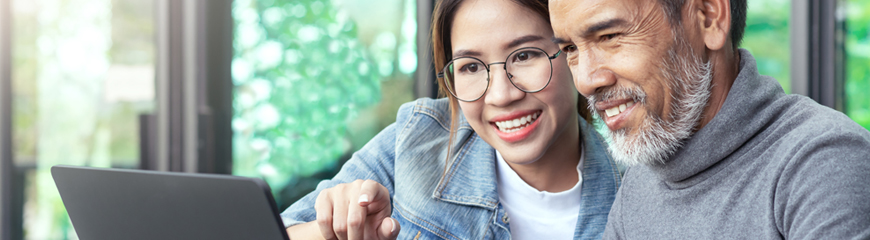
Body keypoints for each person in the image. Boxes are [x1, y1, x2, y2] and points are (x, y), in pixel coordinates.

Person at [281, 0, 622, 239]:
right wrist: (332, 232)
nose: (501, 95)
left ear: (572, 53)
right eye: (471, 67)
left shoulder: (635, 187)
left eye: (524, 55)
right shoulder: (418, 137)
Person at [548, 0, 870, 238]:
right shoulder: (640, 182)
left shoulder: (822, 160)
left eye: (609, 36)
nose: (586, 81)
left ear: (709, 18)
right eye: (570, 49)